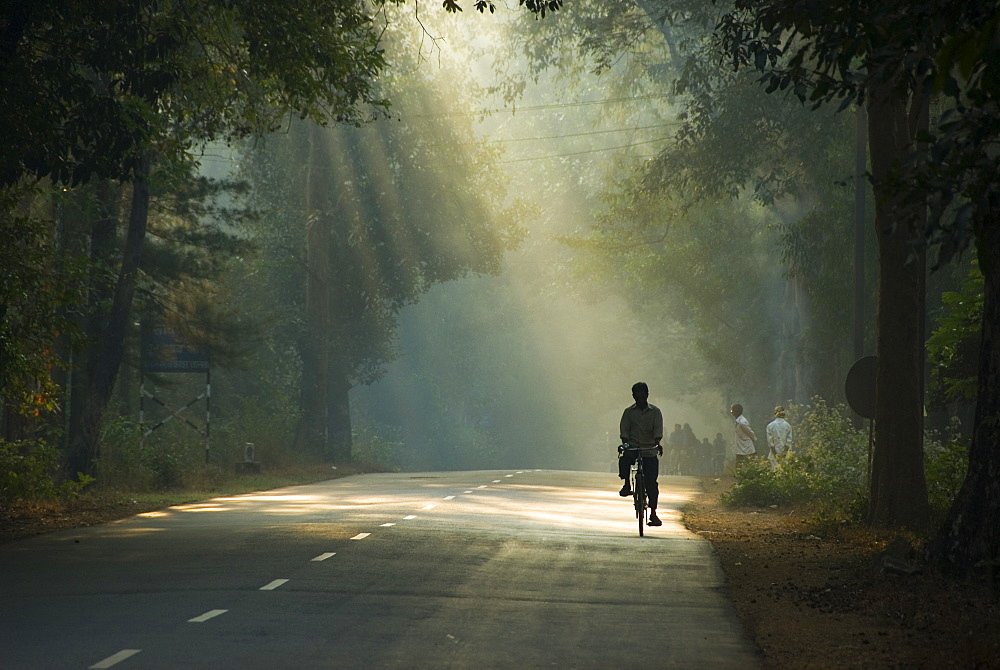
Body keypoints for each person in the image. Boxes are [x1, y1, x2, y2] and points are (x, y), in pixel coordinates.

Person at [618, 382, 664, 526]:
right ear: (633, 396)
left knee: (652, 483)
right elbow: (624, 431)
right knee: (624, 460)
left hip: (649, 449)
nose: (639, 397)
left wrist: (657, 443)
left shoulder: (655, 412)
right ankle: (626, 485)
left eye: (642, 394)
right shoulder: (628, 412)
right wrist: (625, 444)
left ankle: (653, 513)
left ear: (647, 394)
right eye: (636, 394)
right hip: (633, 447)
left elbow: (658, 431)